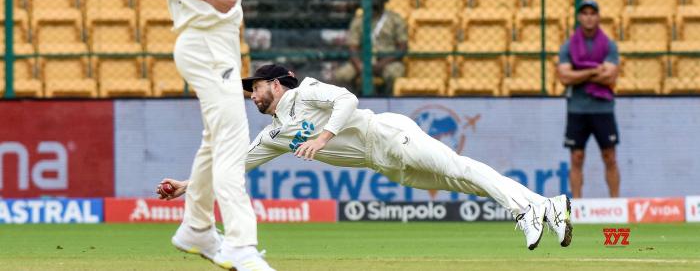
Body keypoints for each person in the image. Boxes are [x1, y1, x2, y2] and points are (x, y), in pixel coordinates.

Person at [157, 64, 574, 251]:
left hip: (388, 134)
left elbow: (348, 99)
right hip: (386, 163)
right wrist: (186, 185)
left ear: (278, 84)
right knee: (462, 181)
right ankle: (547, 206)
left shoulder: (305, 92)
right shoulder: (275, 134)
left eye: (257, 86)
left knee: (461, 169)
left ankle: (525, 211)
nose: (252, 94)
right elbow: (235, 167)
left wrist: (323, 137)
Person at [152, 0, 274, 271]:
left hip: (212, 42)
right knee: (232, 144)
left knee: (214, 141)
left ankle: (196, 229)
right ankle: (241, 247)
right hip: (206, 43)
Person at [557, 0, 621, 199]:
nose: (588, 17)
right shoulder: (568, 46)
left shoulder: (609, 45)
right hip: (577, 109)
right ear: (579, 17)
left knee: (609, 157)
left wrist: (579, 73)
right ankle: (577, 205)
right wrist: (595, 69)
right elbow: (564, 77)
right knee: (576, 157)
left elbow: (610, 76)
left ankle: (615, 203)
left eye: (592, 13)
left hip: (603, 108)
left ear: (598, 16)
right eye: (584, 13)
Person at [335, 0, 407, 95]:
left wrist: (381, 64)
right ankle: (351, 101)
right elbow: (352, 48)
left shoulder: (395, 19)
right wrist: (360, 66)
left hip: (387, 61)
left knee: (394, 74)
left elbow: (402, 48)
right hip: (363, 61)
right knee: (342, 75)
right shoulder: (358, 20)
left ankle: (388, 102)